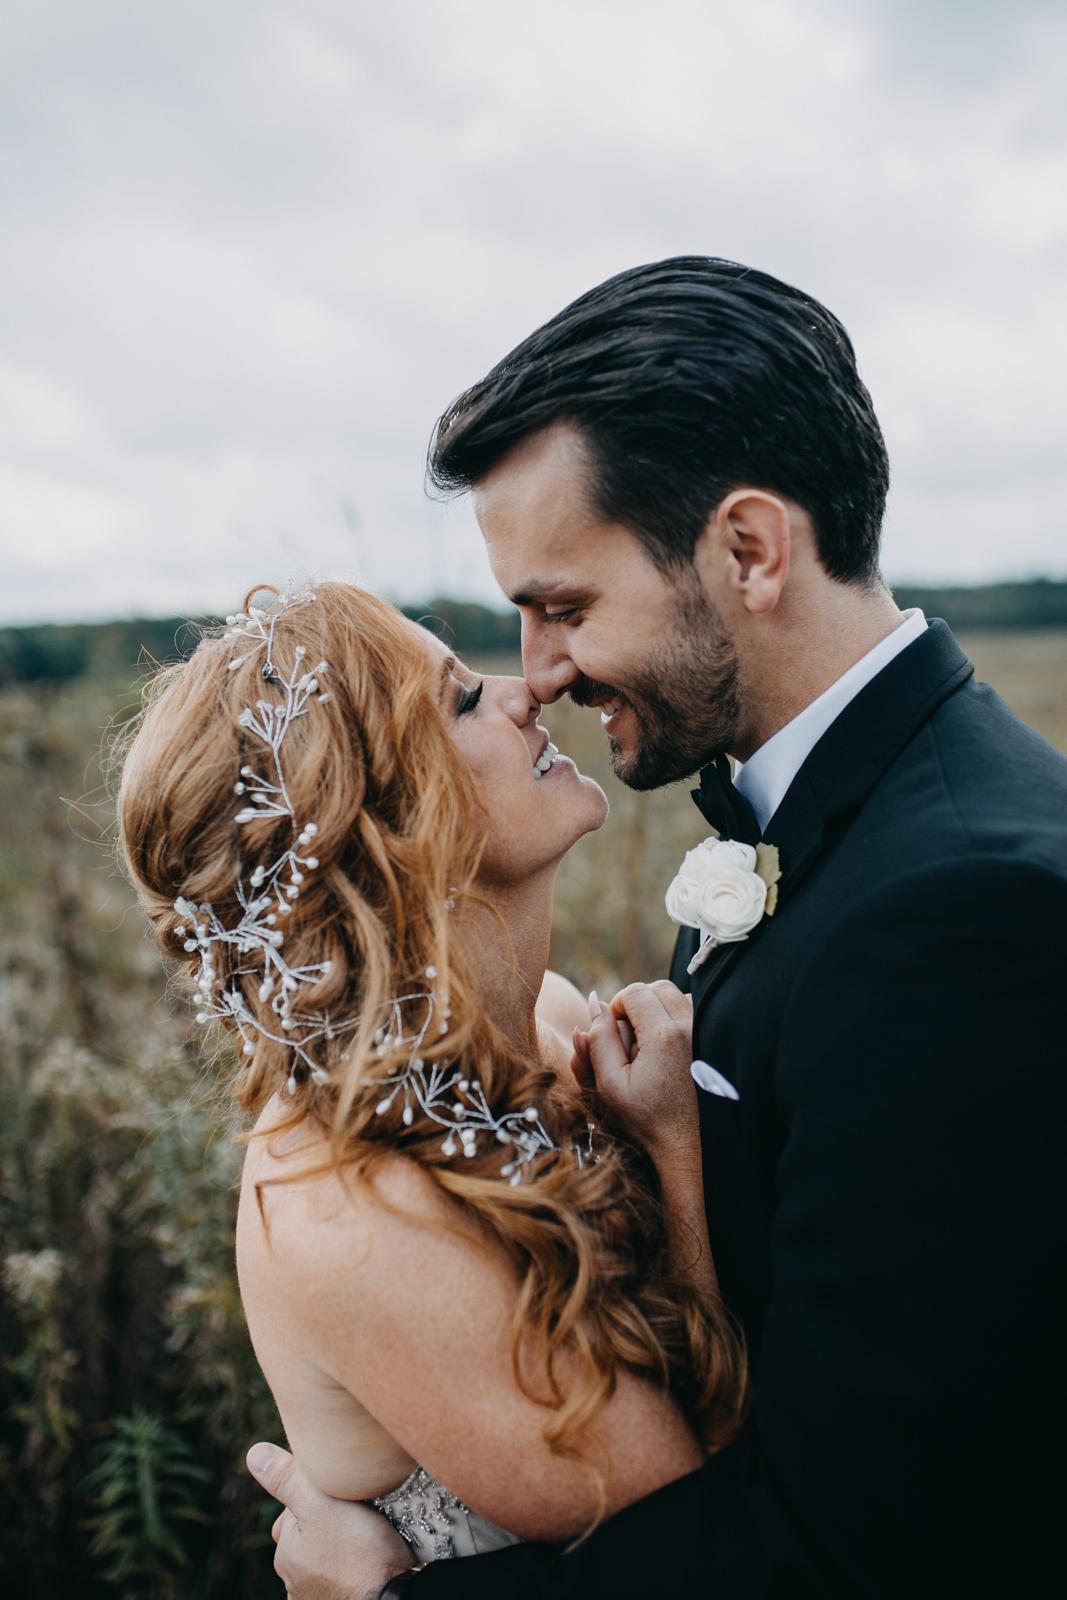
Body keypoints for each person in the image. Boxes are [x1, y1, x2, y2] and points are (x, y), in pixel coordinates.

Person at [250, 258, 1067, 1598]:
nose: (542, 672)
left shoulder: (963, 914)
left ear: (747, 550)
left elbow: (866, 1546)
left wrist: (397, 1597)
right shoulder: (815, 828)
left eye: (564, 607)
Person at [117, 581, 748, 1576]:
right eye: (458, 700)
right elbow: (708, 1545)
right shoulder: (361, 1219)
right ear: (381, 828)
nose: (523, 691)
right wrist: (671, 1148)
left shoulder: (540, 1014)